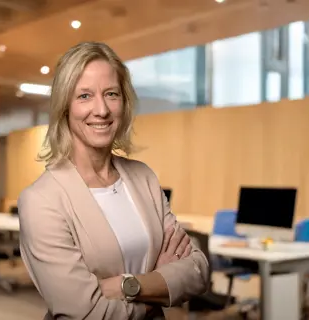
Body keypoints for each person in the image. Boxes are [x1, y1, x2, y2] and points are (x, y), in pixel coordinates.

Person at [18, 41, 209, 320]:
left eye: (111, 94)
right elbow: (86, 312)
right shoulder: (41, 200)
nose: (102, 110)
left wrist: (125, 285)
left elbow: (197, 270)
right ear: (64, 106)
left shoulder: (143, 177)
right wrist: (157, 289)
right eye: (84, 96)